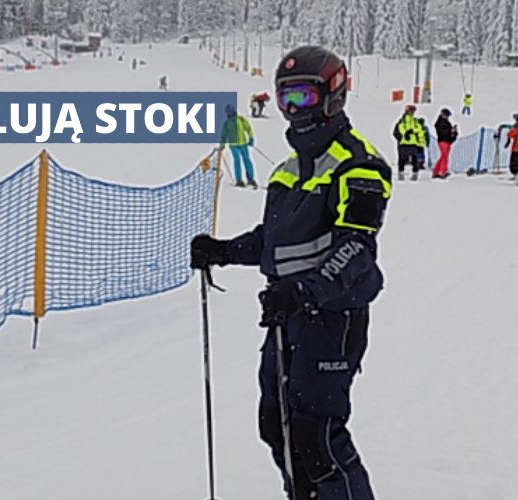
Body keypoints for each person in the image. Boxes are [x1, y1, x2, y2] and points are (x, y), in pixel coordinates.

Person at [191, 45, 390, 500]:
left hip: (332, 316)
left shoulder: (359, 164)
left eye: (305, 97)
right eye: (286, 98)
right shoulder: (289, 169)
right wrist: (224, 251)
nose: (295, 110)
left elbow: (356, 248)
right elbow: (275, 241)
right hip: (289, 312)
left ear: (334, 95)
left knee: (315, 434)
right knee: (276, 423)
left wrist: (307, 291)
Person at [219, 104, 257, 188]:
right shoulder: (227, 123)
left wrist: (251, 138)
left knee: (247, 160)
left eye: (230, 111)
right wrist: (222, 144)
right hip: (233, 145)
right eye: (228, 112)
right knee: (237, 161)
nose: (229, 113)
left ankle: (250, 178)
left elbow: (248, 128)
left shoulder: (241, 119)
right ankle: (239, 180)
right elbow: (224, 135)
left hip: (243, 144)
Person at [392, 104, 426, 181]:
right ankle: (401, 173)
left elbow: (419, 129)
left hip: (413, 143)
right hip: (404, 143)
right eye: (411, 111)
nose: (412, 112)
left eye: (413, 111)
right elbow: (399, 130)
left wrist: (412, 132)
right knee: (402, 159)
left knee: (415, 160)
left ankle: (415, 174)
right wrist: (403, 136)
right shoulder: (402, 121)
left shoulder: (415, 120)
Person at [433, 108, 458, 179]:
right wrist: (451, 131)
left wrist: (454, 132)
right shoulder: (440, 123)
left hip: (447, 141)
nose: (447, 117)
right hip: (443, 141)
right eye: (446, 115)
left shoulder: (447, 123)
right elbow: (443, 133)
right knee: (444, 156)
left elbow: (449, 133)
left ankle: (437, 171)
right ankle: (442, 171)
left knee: (444, 156)